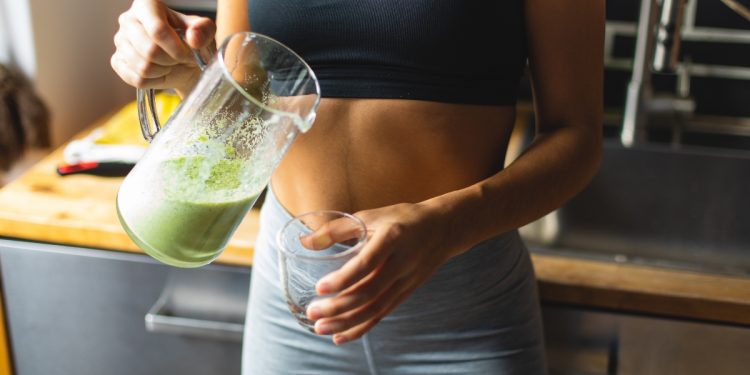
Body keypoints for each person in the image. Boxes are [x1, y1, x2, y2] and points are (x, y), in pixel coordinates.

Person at [111, 0, 603, 373]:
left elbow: (576, 137)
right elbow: (247, 124)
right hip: (292, 313)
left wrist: (447, 227)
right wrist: (179, 72)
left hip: (462, 322)